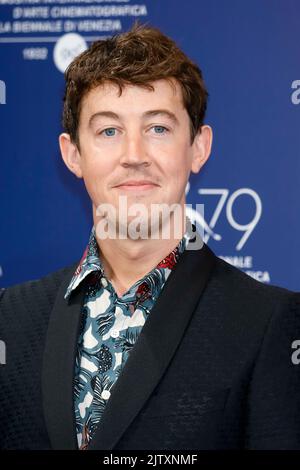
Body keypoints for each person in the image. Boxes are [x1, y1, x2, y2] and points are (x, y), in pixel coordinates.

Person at [0, 22, 299, 451]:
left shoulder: (269, 323)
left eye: (158, 128)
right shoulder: (11, 318)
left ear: (198, 147)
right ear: (72, 154)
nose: (134, 156)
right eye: (109, 131)